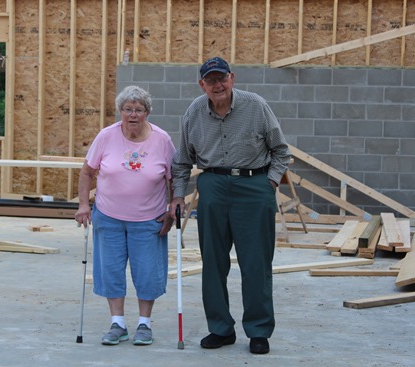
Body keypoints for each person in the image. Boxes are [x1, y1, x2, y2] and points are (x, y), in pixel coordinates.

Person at [170, 57, 292, 354]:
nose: (217, 85)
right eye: (210, 80)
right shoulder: (194, 112)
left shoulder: (256, 106)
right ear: (202, 85)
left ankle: (259, 330)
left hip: (255, 187)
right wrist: (177, 195)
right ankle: (220, 329)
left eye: (221, 78)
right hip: (212, 186)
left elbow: (281, 151)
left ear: (232, 78)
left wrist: (270, 183)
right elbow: (183, 161)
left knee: (256, 263)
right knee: (213, 262)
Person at [74, 85, 176, 346]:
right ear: (120, 111)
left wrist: (173, 206)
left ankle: (145, 324)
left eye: (138, 110)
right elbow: (87, 172)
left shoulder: (162, 139)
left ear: (147, 112)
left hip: (149, 218)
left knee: (148, 272)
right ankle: (117, 323)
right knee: (110, 270)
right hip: (109, 217)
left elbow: (173, 177)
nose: (133, 115)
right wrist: (84, 205)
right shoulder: (106, 136)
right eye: (127, 109)